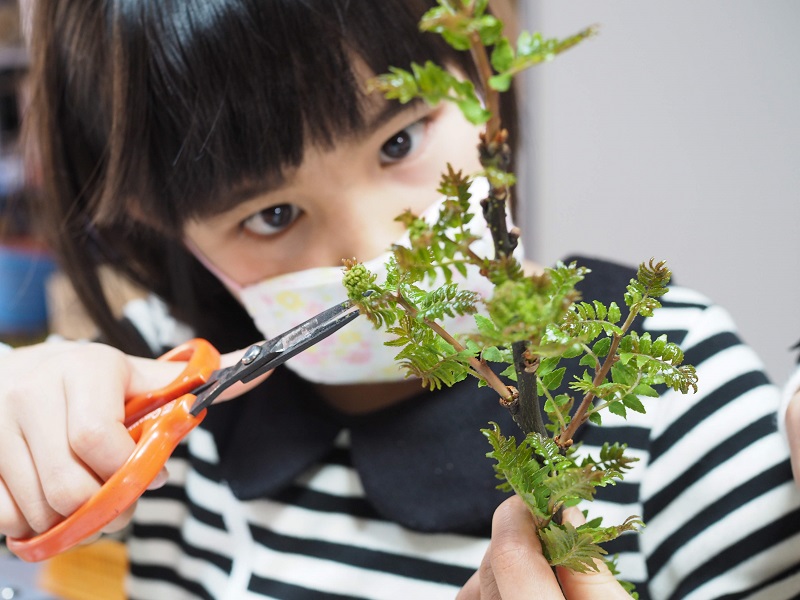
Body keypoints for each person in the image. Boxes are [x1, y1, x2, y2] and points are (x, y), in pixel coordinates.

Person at [1, 1, 798, 598]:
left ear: (479, 70)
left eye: (399, 141)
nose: (376, 252)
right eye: (271, 215)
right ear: (162, 226)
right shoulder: (150, 390)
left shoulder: (680, 396)